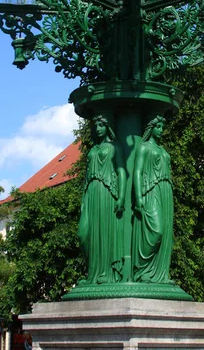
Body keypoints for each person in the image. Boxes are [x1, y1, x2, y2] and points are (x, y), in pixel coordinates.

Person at [78, 115, 126, 284]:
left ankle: (107, 273)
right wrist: (84, 201)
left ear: (107, 127)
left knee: (105, 232)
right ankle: (93, 272)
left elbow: (121, 172)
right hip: (91, 194)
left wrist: (121, 197)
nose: (97, 128)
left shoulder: (115, 147)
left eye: (101, 125)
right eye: (95, 125)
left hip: (107, 193)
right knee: (84, 233)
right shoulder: (92, 150)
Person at [133, 115, 173, 283]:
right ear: (151, 128)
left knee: (166, 236)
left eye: (162, 127)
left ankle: (160, 274)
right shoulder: (144, 147)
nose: (161, 130)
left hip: (165, 190)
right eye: (158, 127)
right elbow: (137, 171)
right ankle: (142, 270)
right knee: (156, 231)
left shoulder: (163, 151)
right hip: (150, 190)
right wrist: (138, 196)